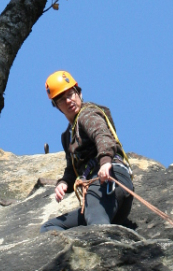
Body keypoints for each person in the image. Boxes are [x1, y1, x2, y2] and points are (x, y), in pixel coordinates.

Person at [40, 70, 134, 232]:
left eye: (71, 94)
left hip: (108, 180)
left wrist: (105, 162)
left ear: (79, 93)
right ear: (56, 106)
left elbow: (102, 135)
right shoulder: (67, 136)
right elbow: (72, 170)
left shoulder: (87, 114)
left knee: (98, 230)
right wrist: (63, 183)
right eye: (62, 99)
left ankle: (104, 250)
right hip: (100, 194)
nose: (69, 100)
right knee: (51, 227)